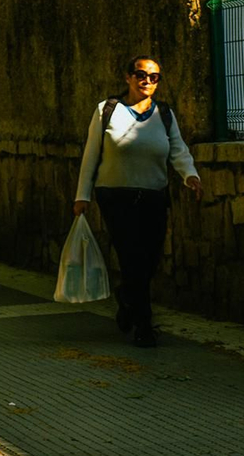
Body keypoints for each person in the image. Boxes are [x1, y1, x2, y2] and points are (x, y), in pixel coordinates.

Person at [73, 55, 201, 348]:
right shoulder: (108, 110)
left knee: (150, 258)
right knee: (132, 257)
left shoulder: (165, 114)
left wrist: (190, 175)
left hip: (154, 195)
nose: (147, 81)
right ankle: (144, 325)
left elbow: (178, 151)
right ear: (128, 77)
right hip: (116, 196)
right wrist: (82, 196)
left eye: (154, 77)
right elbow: (91, 154)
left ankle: (127, 297)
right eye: (141, 75)